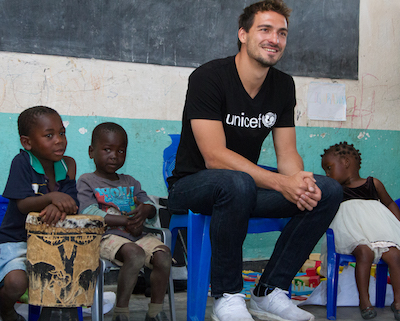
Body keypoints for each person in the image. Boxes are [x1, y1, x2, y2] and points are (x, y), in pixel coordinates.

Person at [166, 0, 343, 320]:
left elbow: (287, 153)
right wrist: (280, 182)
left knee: (327, 190)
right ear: (243, 34)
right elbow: (215, 157)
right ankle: (228, 296)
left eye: (282, 33)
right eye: (265, 29)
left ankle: (270, 290)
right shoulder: (209, 77)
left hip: (243, 188)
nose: (274, 38)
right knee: (237, 181)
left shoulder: (283, 85)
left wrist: (300, 181)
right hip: (194, 184)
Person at [77, 122, 171, 321]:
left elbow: (149, 206)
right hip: (105, 237)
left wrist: (146, 209)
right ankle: (121, 312)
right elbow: (88, 212)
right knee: (134, 253)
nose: (114, 155)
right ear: (91, 152)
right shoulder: (87, 181)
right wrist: (125, 221)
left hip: (136, 235)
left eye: (121, 150)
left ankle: (155, 311)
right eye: (107, 149)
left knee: (163, 255)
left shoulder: (130, 182)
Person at [0, 106, 79, 321]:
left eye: (62, 133)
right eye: (49, 135)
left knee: (64, 277)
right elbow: (23, 205)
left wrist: (57, 204)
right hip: (17, 241)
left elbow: (73, 203)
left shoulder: (67, 165)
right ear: (27, 142)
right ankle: (5, 310)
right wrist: (51, 198)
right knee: (16, 283)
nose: (59, 140)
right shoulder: (22, 162)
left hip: (52, 243)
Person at [321, 142, 400, 320]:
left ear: (346, 162)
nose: (327, 174)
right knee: (364, 253)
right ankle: (364, 302)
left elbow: (389, 203)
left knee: (394, 255)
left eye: (329, 168)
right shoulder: (335, 190)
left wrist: (397, 223)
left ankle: (398, 301)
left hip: (379, 230)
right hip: (351, 233)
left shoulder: (373, 183)